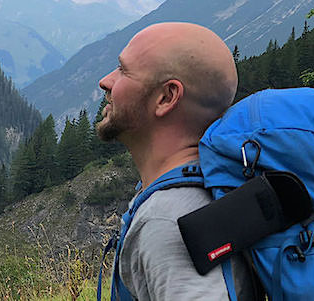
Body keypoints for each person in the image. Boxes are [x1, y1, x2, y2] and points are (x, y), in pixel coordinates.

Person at [97, 22, 253, 301]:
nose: (106, 81)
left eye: (123, 70)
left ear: (166, 97)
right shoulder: (221, 185)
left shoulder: (169, 219)